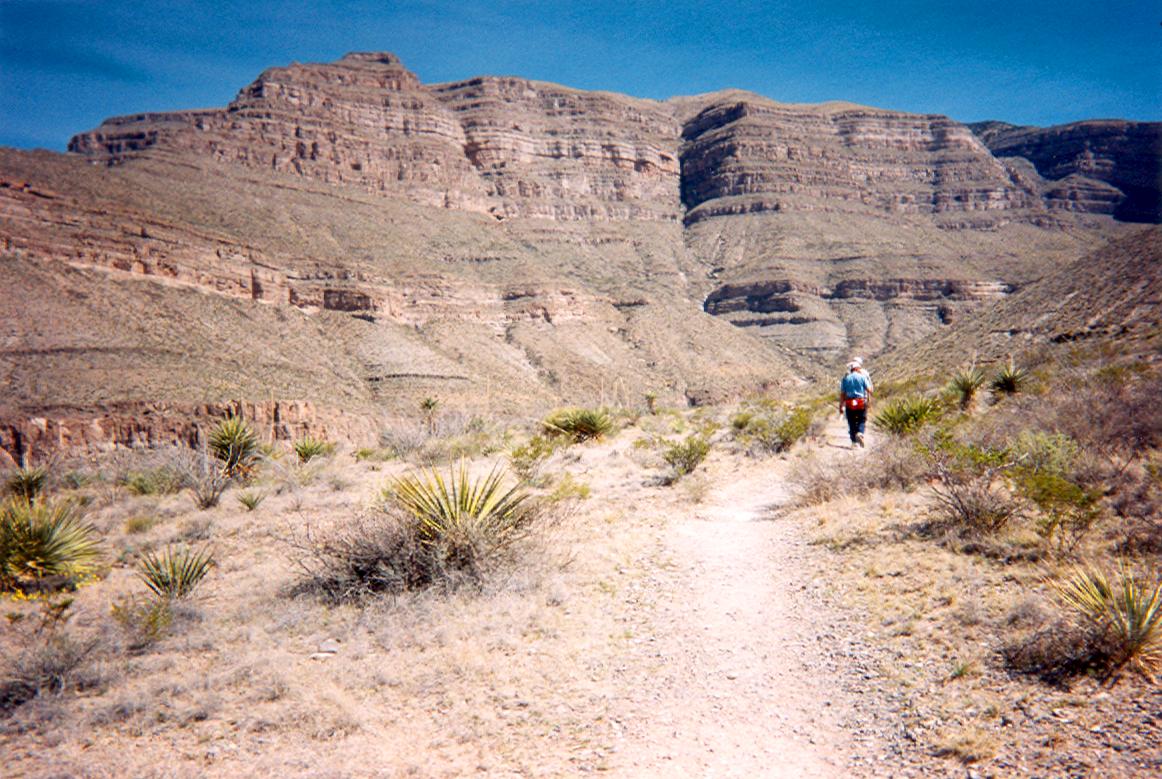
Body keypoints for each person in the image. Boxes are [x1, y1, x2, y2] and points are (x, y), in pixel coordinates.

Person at [839, 359, 872, 447]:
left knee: (851, 421)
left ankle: (854, 442)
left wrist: (841, 406)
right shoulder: (862, 377)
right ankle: (860, 433)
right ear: (857, 369)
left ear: (851, 369)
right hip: (861, 402)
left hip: (850, 403)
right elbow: (870, 390)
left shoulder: (845, 379)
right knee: (862, 419)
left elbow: (842, 394)